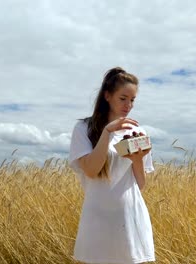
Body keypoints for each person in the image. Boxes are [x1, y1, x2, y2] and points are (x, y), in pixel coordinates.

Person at [68, 66, 155, 264]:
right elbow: (90, 170)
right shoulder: (84, 128)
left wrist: (137, 160)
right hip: (97, 216)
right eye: (123, 98)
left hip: (130, 215)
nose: (128, 105)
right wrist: (107, 133)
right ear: (107, 96)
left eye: (132, 100)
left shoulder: (136, 131)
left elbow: (140, 185)